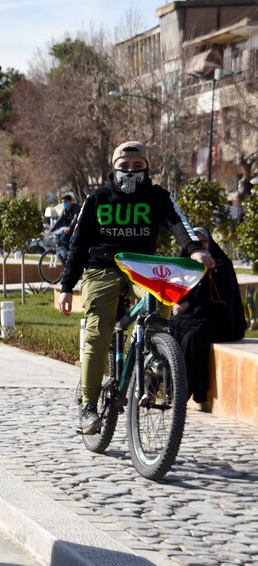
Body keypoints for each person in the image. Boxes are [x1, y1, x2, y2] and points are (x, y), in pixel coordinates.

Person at [57, 141, 215, 435]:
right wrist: (67, 287)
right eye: (124, 166)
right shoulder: (97, 198)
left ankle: (155, 353)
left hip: (141, 267)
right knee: (98, 331)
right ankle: (89, 405)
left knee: (163, 293)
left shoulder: (157, 196)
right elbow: (77, 245)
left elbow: (178, 222)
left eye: (138, 166)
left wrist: (193, 249)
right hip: (101, 268)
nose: (131, 172)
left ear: (147, 168)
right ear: (114, 167)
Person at [169, 227, 246, 410]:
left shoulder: (221, 265)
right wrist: (180, 302)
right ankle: (164, 386)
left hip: (219, 320)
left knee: (193, 337)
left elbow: (222, 300)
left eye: (204, 242)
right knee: (171, 328)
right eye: (196, 243)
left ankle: (189, 389)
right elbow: (178, 291)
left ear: (210, 243)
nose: (201, 246)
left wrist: (191, 304)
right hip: (192, 317)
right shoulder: (185, 263)